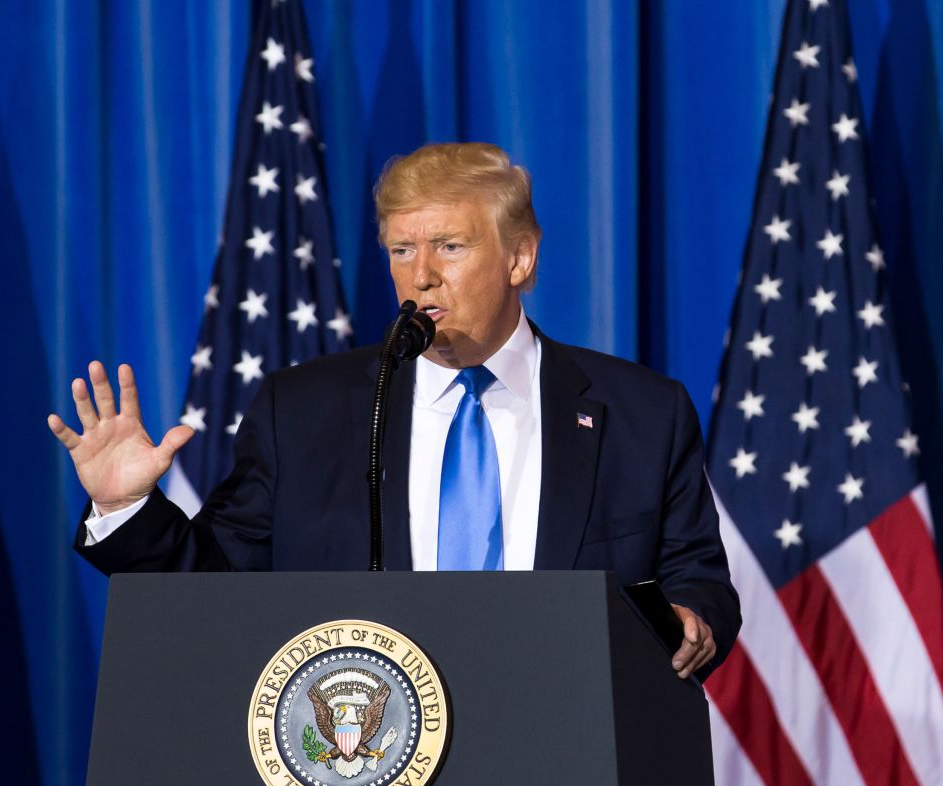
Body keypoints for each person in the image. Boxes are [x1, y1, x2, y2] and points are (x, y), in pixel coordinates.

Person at [48, 143, 740, 679]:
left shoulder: (641, 412)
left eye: (450, 246)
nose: (421, 274)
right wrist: (129, 508)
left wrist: (694, 620)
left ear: (520, 258)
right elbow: (216, 589)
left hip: (564, 759)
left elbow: (699, 580)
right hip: (366, 774)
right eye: (402, 250)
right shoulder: (306, 412)